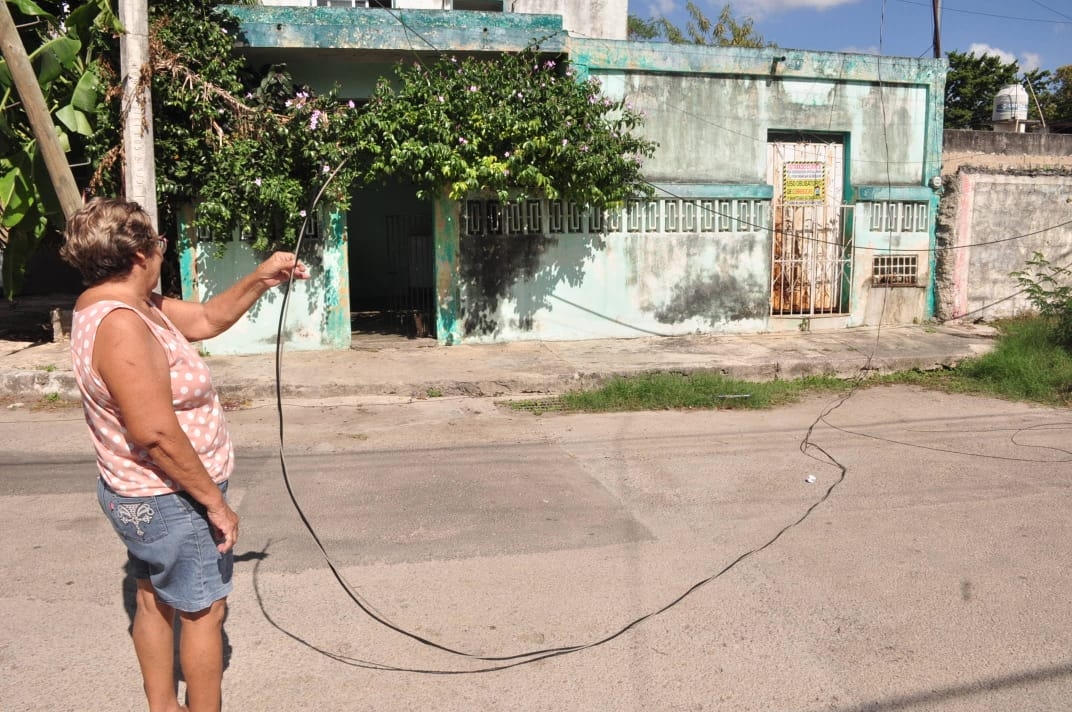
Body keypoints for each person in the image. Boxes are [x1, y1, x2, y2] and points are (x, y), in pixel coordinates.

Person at [60, 197, 309, 712]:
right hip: (172, 496)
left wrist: (262, 278)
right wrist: (215, 506)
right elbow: (155, 433)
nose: (160, 253)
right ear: (137, 256)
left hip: (136, 494)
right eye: (158, 245)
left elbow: (204, 319)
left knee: (153, 594)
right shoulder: (124, 324)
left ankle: (162, 706)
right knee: (204, 611)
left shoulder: (115, 304)